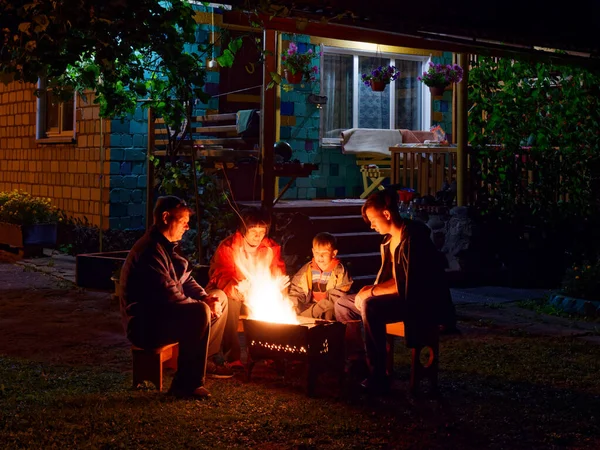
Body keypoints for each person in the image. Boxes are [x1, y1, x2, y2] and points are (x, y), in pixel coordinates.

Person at [335, 189, 457, 394]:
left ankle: (378, 375)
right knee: (342, 304)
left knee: (370, 305)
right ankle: (358, 362)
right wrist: (370, 290)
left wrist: (372, 292)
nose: (371, 225)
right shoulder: (388, 240)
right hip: (398, 297)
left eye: (373, 219)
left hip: (417, 302)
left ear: (387, 214)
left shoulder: (413, 239)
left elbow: (408, 284)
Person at [120, 196, 233, 400]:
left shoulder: (168, 246)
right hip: (146, 324)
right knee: (199, 312)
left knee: (220, 297)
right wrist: (202, 305)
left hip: (165, 315)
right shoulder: (150, 251)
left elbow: (186, 279)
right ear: (165, 217)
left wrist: (206, 297)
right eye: (183, 221)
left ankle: (203, 359)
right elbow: (168, 295)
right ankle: (186, 385)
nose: (187, 227)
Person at [207, 207, 286, 368]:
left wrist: (277, 289)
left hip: (257, 294)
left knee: (272, 301)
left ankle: (268, 352)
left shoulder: (271, 248)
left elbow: (278, 271)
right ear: (244, 229)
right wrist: (237, 289)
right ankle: (233, 357)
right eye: (253, 231)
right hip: (232, 293)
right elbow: (220, 274)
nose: (258, 236)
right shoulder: (229, 247)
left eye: (262, 231)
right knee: (231, 302)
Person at [288, 232, 353, 319]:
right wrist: (293, 306)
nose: (320, 256)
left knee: (329, 313)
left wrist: (316, 309)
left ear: (334, 253)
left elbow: (337, 297)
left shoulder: (339, 272)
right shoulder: (307, 269)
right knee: (293, 310)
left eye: (325, 253)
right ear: (313, 251)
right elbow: (297, 290)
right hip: (311, 305)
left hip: (329, 306)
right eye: (317, 252)